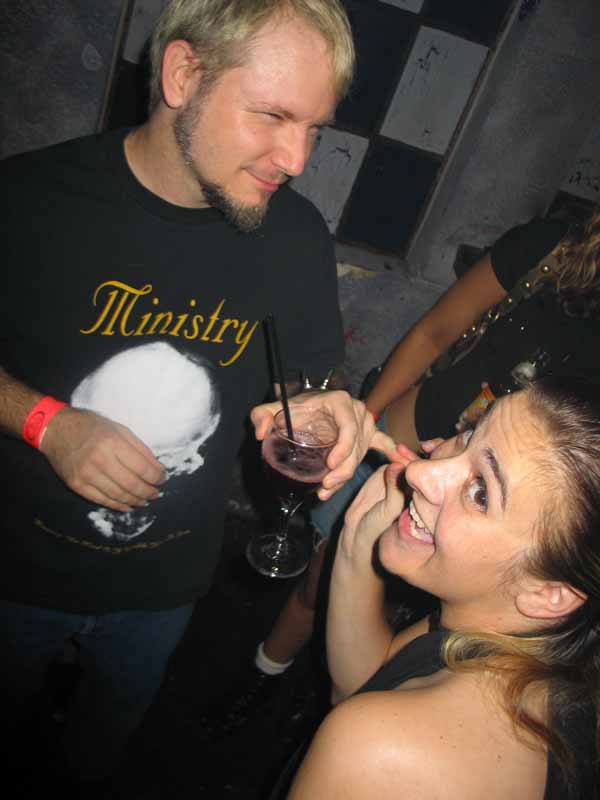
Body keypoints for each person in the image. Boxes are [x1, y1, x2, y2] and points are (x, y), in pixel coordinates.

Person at [0, 0, 397, 788]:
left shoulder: (294, 235)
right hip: (13, 574)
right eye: (274, 116)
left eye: (314, 129)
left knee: (100, 753)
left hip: (168, 589)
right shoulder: (30, 200)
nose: (296, 158)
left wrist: (325, 406)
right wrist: (47, 422)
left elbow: (306, 379)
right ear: (183, 74)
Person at [224, 206, 600, 729]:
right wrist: (363, 422)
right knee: (323, 581)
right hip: (401, 447)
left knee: (409, 638)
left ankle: (344, 700)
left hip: (496, 535)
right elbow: (435, 332)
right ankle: (265, 672)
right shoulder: (551, 248)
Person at [284, 376, 600, 799]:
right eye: (469, 432)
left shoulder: (380, 749)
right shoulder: (533, 647)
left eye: (481, 492)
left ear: (548, 594)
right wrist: (360, 536)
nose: (420, 471)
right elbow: (367, 681)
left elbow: (366, 719)